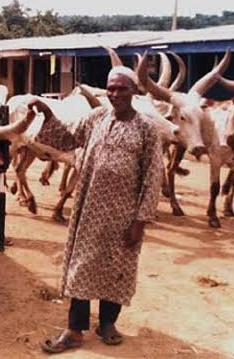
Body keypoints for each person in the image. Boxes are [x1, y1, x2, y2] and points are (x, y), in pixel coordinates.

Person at [32, 63, 163, 354]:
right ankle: (74, 330)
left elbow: (153, 177)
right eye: (110, 88)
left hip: (123, 215)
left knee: (117, 269)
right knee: (82, 267)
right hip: (88, 209)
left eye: (121, 88)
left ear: (135, 91)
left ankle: (107, 324)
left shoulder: (147, 130)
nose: (114, 93)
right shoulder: (96, 117)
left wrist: (140, 222)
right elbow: (68, 138)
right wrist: (48, 114)